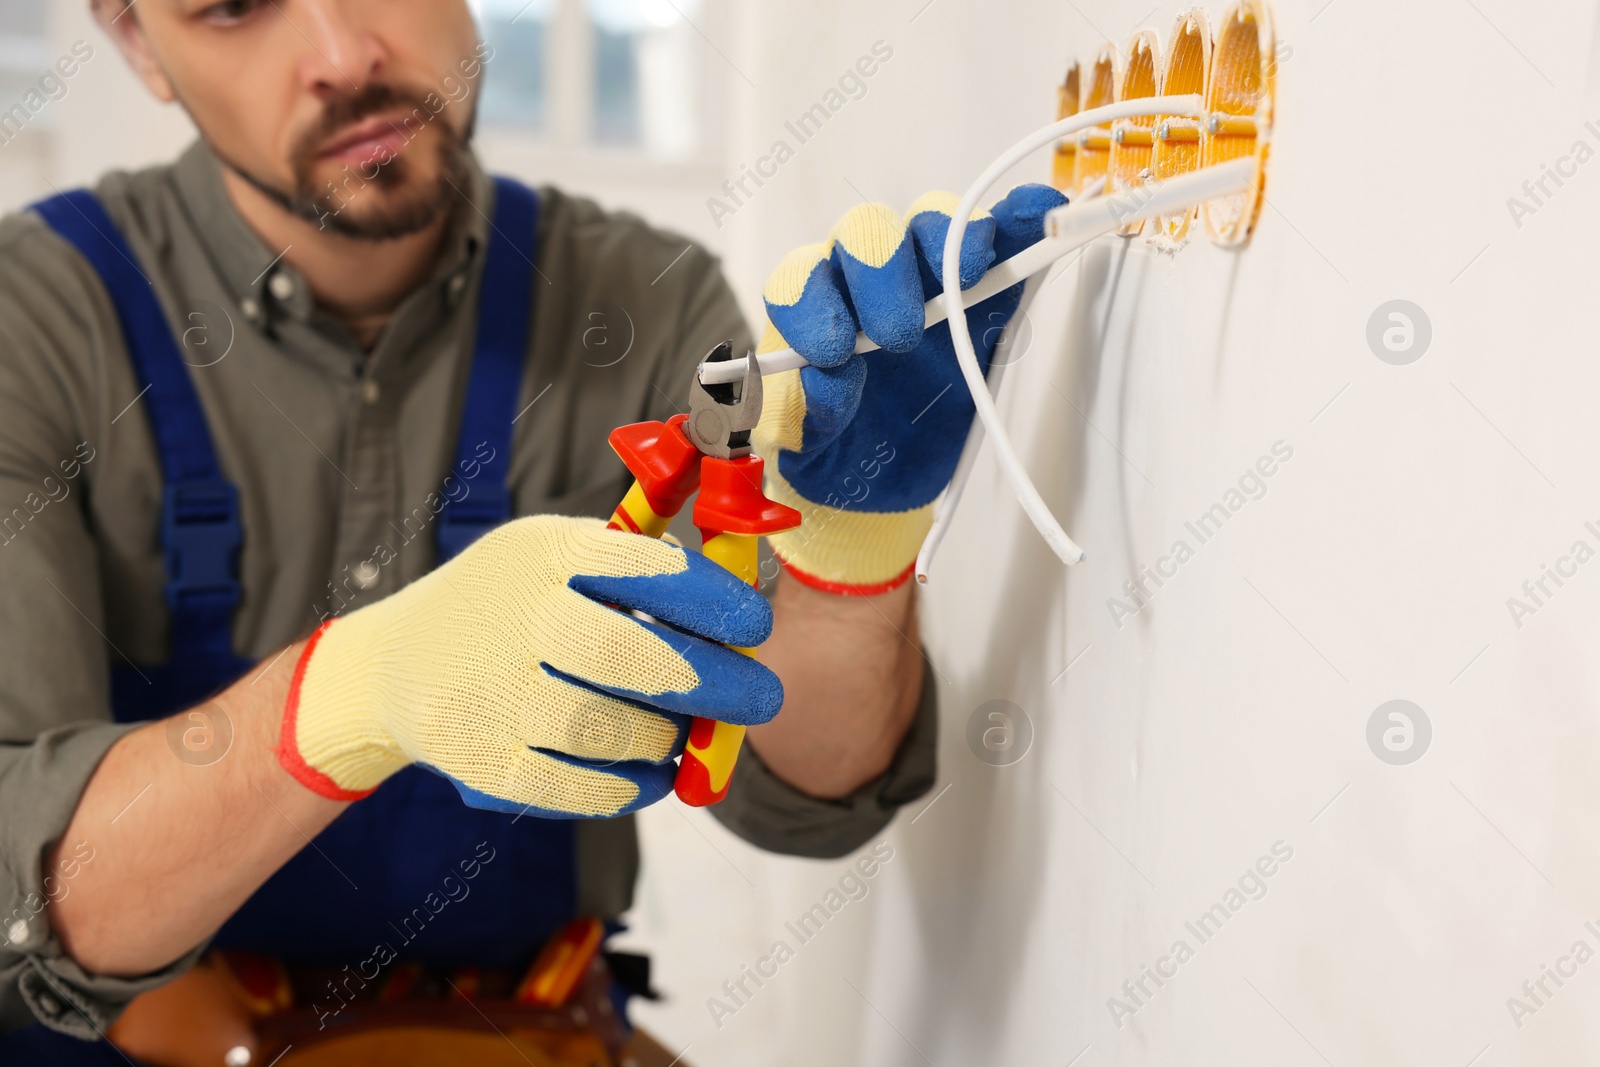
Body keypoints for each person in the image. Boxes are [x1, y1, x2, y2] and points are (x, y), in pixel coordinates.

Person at [0, 0, 1062, 1061]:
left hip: (529, 1030)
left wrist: (845, 552)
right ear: (139, 42)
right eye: (234, 8)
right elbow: (22, 899)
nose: (341, 55)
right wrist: (351, 691)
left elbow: (801, 794)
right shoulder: (35, 321)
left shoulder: (641, 303)